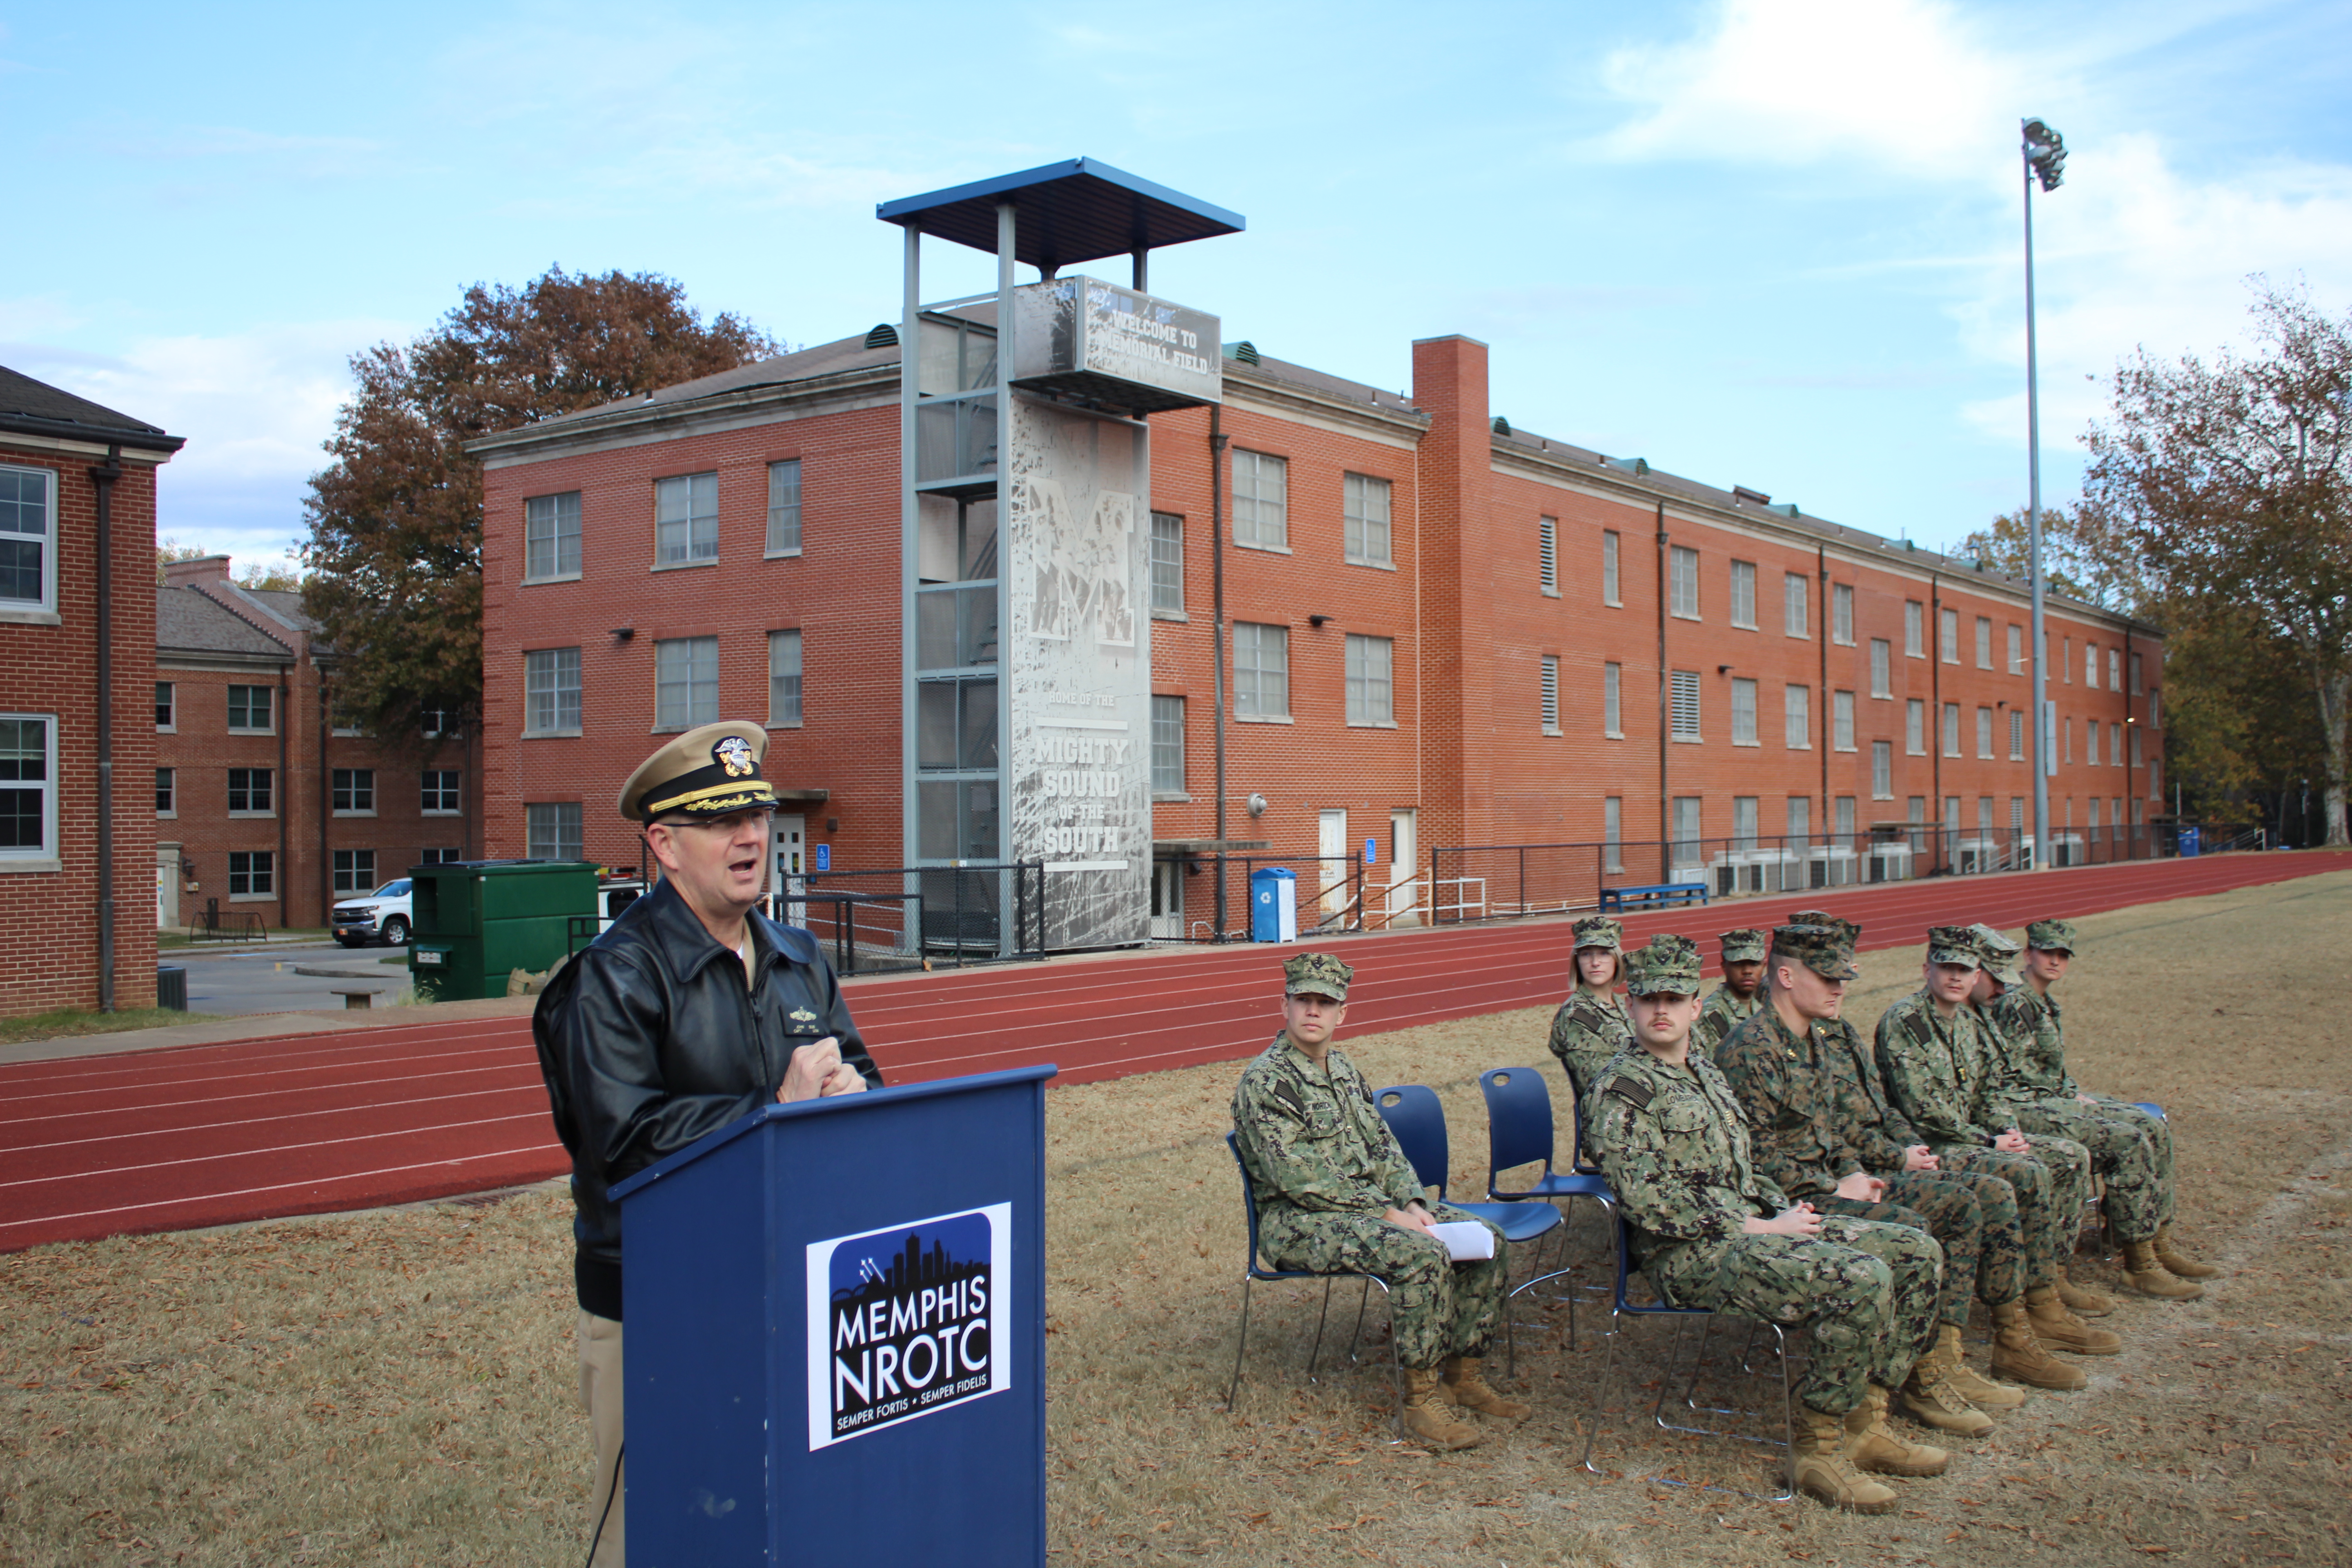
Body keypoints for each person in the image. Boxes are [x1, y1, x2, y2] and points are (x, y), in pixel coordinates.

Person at [534, 722, 882, 1567]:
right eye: (722, 822)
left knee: (778, 1508)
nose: (752, 837)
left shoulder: (799, 957)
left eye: (756, 814)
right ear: (663, 844)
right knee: (657, 1524)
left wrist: (856, 1091)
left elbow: (863, 1069)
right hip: (659, 1300)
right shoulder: (613, 977)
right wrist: (772, 1106)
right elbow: (623, 1146)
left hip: (788, 1280)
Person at [1587, 934, 1950, 1514]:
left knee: (1912, 1252)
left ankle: (1867, 1417)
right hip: (1689, 1256)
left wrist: (1788, 1209)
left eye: (1675, 1000)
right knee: (1859, 1280)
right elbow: (1645, 1199)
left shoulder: (1704, 1072)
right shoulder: (1624, 1088)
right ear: (1630, 1006)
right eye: (1650, 999)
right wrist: (1753, 1227)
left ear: (1695, 1008)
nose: (1662, 1011)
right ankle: (1817, 1447)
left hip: (1756, 1226)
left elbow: (1745, 1165)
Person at [1716, 924, 2076, 1413]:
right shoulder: (1751, 1047)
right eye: (1827, 979)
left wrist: (1853, 1174)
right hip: (1794, 1202)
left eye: (1842, 979)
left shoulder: (1814, 1039)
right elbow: (1756, 1156)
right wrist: (1838, 1184)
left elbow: (1832, 1130)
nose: (1839, 988)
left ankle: (1947, 1359)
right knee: (1916, 1231)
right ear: (1785, 976)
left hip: (1832, 1184)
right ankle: (1905, 1382)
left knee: (1961, 1204)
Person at [1231, 952, 1524, 1452]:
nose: (1313, 1011)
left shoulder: (1343, 1068)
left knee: (1486, 1241)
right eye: (1304, 1000)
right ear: (1285, 1006)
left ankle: (1463, 1375)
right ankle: (1421, 1401)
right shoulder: (1267, 1082)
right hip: (1299, 1222)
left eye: (1325, 1002)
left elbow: (1382, 1146)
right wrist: (1385, 1214)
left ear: (1342, 1013)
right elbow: (1298, 1177)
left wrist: (1410, 1199)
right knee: (1422, 1254)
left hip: (1363, 1209)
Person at [1875, 927, 2121, 1362]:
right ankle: (2016, 1317)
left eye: (1965, 969)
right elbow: (1922, 1106)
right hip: (1931, 1143)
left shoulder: (1970, 1021)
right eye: (1947, 967)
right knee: (2023, 1174)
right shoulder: (1905, 1020)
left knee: (2064, 1157)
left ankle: (2046, 1286)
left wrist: (2010, 1132)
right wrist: (1989, 1140)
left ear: (1976, 976)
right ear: (1926, 969)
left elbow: (1991, 1090)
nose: (1956, 977)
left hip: (1975, 1136)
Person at [1968, 925, 2203, 1300]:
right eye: (2048, 953)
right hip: (2026, 1103)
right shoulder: (2015, 1002)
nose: (2056, 961)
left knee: (2150, 1126)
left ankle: (2156, 1241)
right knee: (2130, 1137)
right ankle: (2138, 1260)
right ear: (2030, 955)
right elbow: (2014, 1076)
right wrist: (2067, 1098)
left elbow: (2046, 1070)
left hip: (2047, 1096)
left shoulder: (2042, 1002)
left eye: (2063, 955)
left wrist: (2071, 1092)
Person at [1548, 915, 1633, 1093]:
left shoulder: (1623, 1005)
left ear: (1617, 959)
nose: (1595, 963)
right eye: (1586, 954)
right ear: (1577, 962)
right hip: (1613, 1111)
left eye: (1604, 953)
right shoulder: (1577, 1014)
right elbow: (1600, 1081)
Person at [1693, 926, 1768, 1059]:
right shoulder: (1712, 1015)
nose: (1747, 971)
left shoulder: (1762, 1008)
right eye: (1738, 964)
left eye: (1754, 963)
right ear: (1724, 967)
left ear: (1764, 966)